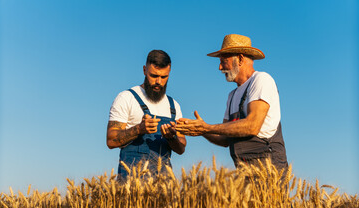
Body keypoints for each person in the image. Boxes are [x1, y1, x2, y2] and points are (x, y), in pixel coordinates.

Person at [176, 34, 288, 173]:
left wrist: (206, 128)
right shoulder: (232, 95)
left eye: (224, 61)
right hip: (244, 170)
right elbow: (224, 139)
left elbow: (252, 126)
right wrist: (200, 130)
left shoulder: (261, 80)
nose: (220, 67)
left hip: (268, 169)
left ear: (240, 59)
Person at [107, 50, 186, 182]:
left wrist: (172, 138)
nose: (158, 82)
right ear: (144, 70)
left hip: (163, 185)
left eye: (164, 77)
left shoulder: (174, 106)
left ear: (169, 72)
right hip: (131, 185)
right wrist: (139, 129)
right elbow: (110, 140)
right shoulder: (126, 98)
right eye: (153, 76)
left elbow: (182, 147)